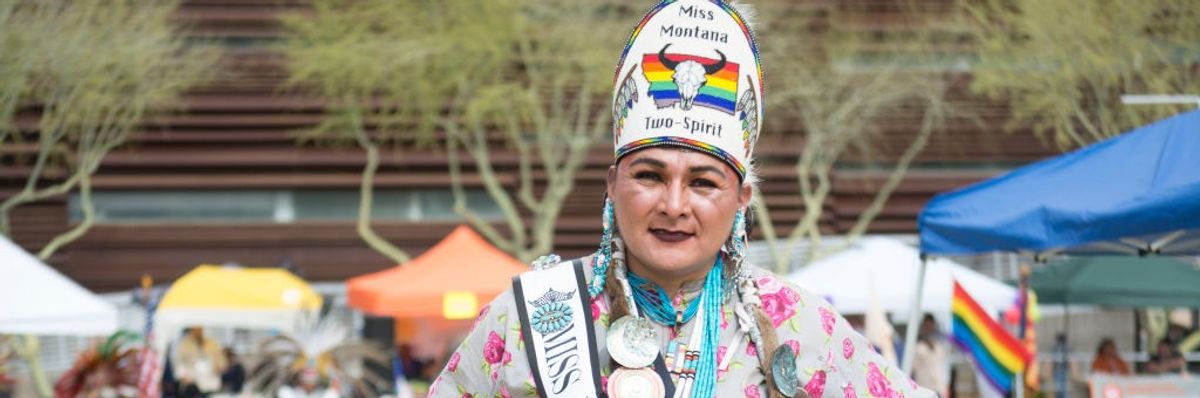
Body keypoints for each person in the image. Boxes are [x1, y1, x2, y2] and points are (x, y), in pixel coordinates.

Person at [429, 1, 935, 397]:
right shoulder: (527, 319)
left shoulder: (798, 326)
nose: (674, 204)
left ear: (742, 199)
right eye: (649, 175)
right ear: (611, 185)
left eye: (703, 182)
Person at [173, 327, 228, 395]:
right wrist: (183, 377)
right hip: (192, 383)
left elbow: (221, 361)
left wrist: (220, 368)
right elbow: (178, 363)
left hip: (210, 382)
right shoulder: (185, 344)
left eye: (199, 329)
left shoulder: (212, 343)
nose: (197, 331)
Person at [911, 314, 948, 396]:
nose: (929, 328)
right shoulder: (918, 348)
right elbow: (913, 369)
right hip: (924, 389)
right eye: (927, 325)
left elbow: (941, 368)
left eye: (931, 325)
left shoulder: (938, 347)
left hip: (938, 388)